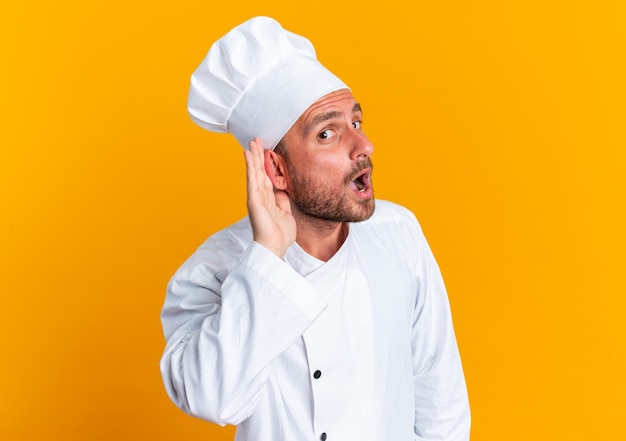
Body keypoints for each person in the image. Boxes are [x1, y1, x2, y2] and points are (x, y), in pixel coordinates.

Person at [160, 16, 470, 441]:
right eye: (328, 133)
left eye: (356, 123)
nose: (363, 147)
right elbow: (214, 399)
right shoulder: (211, 271)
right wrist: (267, 255)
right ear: (276, 169)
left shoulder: (400, 233)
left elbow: (440, 398)